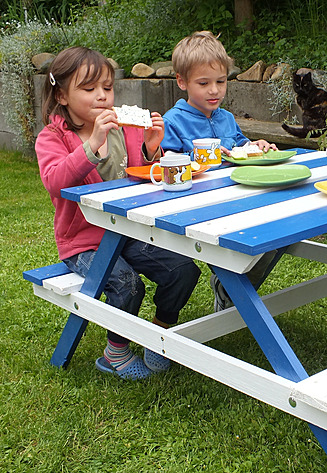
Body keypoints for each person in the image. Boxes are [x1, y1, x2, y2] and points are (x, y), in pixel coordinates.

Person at [36, 46, 201, 380]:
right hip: (83, 242)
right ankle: (115, 351)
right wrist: (90, 144)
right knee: (127, 284)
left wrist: (151, 148)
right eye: (88, 89)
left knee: (182, 270)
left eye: (107, 88)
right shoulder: (52, 138)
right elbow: (55, 182)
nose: (102, 97)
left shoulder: (126, 129)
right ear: (62, 95)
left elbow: (140, 176)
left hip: (129, 232)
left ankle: (158, 333)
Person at [162, 31, 278, 312]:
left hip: (236, 200)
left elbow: (239, 145)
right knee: (242, 247)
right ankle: (230, 289)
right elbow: (166, 161)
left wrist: (255, 146)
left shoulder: (225, 118)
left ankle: (228, 290)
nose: (214, 90)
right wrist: (197, 158)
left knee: (272, 240)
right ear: (182, 82)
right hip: (197, 209)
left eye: (221, 82)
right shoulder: (172, 121)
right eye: (204, 83)